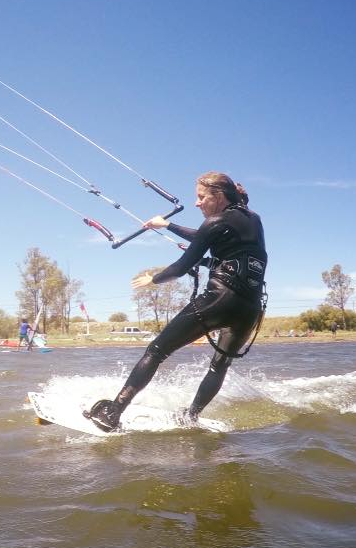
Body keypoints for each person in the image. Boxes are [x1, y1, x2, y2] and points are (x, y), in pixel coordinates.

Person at [85, 172, 267, 432]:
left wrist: (152, 280)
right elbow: (218, 241)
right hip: (250, 308)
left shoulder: (214, 223)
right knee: (219, 366)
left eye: (201, 197)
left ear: (218, 196)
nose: (197, 203)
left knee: (156, 351)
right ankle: (191, 416)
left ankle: (113, 412)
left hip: (220, 299)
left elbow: (182, 267)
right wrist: (168, 226)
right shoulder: (253, 220)